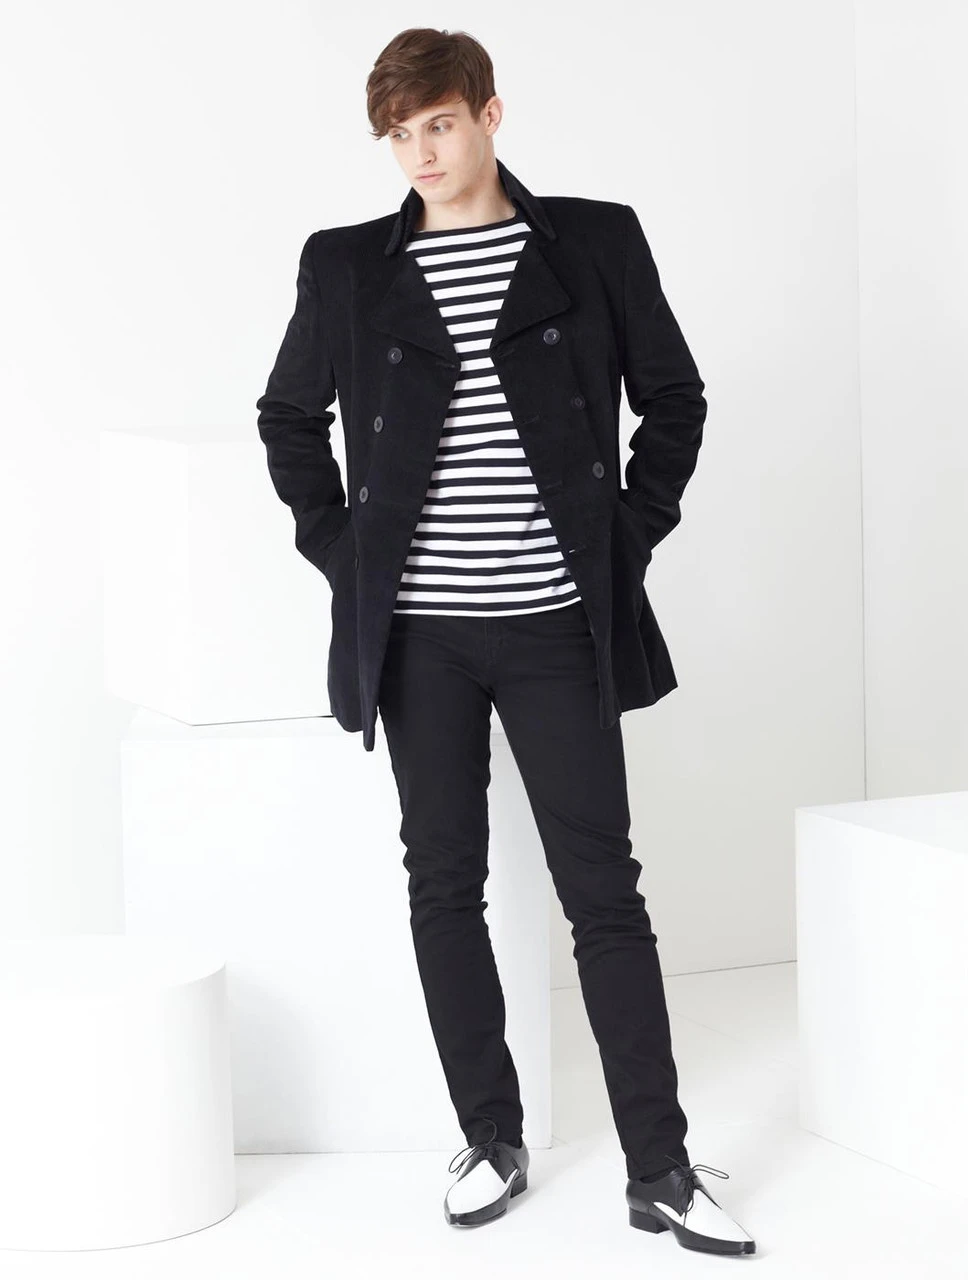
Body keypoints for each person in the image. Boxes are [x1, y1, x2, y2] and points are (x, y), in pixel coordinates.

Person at [256, 25, 755, 1257]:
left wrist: (625, 536)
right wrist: (345, 553)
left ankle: (658, 1167)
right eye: (398, 134)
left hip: (555, 626)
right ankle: (491, 1134)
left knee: (604, 893)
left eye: (438, 123)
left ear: (489, 113)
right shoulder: (346, 267)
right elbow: (286, 417)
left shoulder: (591, 242)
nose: (420, 153)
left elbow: (675, 398)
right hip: (417, 640)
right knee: (442, 882)